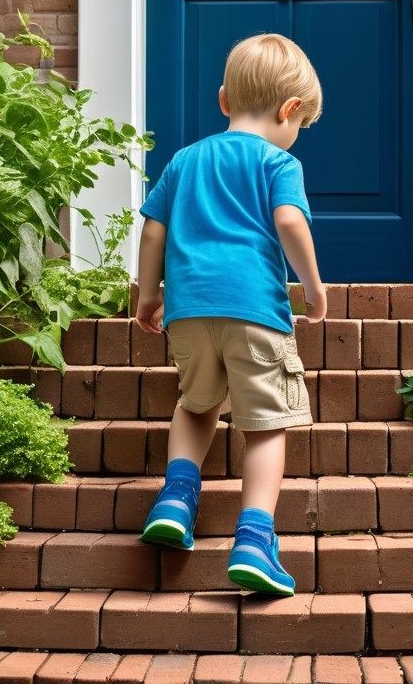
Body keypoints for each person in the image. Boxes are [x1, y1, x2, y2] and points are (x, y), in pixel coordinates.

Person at [133, 33, 327, 596]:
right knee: (265, 423)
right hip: (255, 313)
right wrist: (312, 288)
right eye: (300, 125)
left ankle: (175, 499)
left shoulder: (184, 160)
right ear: (289, 112)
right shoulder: (277, 162)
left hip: (189, 312)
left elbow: (152, 229)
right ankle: (255, 539)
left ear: (224, 100)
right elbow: (291, 223)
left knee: (196, 404)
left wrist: (150, 295)